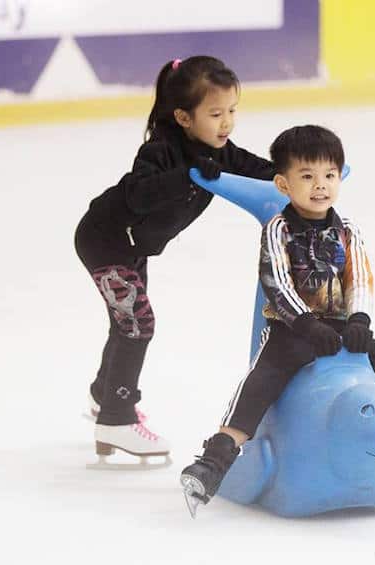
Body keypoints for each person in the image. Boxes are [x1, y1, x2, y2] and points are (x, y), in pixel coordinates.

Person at [180, 125, 375, 511]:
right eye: (307, 176)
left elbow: (360, 277)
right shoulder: (279, 229)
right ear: (284, 185)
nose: (320, 185)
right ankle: (218, 456)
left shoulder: (347, 230)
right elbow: (276, 281)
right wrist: (305, 323)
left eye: (329, 175)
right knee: (263, 378)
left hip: (342, 326)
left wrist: (359, 320)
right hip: (292, 328)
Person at [74, 56, 275, 466]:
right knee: (138, 324)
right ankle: (116, 417)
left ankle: (104, 394)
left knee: (126, 322)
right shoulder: (160, 150)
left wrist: (307, 171)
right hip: (106, 239)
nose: (227, 123)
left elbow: (261, 171)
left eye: (232, 111)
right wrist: (187, 174)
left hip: (130, 247)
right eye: (215, 114)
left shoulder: (220, 150)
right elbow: (138, 194)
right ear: (184, 117)